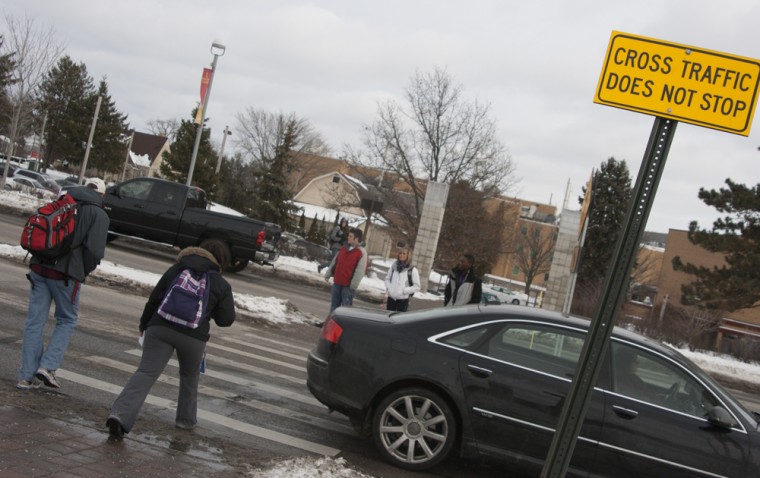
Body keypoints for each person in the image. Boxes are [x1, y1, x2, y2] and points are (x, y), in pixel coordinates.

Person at [106, 243, 235, 438]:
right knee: (189, 378)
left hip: (160, 328)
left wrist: (144, 324)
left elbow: (154, 299)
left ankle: (120, 415)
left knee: (146, 372)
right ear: (221, 261)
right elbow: (226, 320)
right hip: (193, 337)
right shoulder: (221, 284)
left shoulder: (177, 269)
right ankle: (185, 422)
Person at [16, 180, 109, 390]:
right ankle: (47, 367)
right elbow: (94, 251)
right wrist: (81, 271)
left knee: (34, 322)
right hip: (66, 276)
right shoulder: (99, 214)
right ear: (102, 195)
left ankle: (25, 376)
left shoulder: (62, 202)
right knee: (66, 319)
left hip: (39, 268)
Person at [323, 227, 368, 315]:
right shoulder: (344, 248)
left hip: (348, 286)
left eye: (351, 236)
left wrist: (353, 285)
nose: (348, 237)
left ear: (357, 239)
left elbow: (360, 271)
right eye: (348, 236)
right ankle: (330, 325)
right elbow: (335, 261)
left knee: (346, 308)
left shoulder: (361, 252)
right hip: (337, 282)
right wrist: (328, 273)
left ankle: (344, 328)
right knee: (334, 306)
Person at [384, 248, 420, 312]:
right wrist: (390, 288)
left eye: (404, 254)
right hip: (391, 299)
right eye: (400, 253)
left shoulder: (412, 270)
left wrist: (405, 291)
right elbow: (387, 279)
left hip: (403, 300)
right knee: (388, 317)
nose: (401, 255)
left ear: (408, 256)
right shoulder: (394, 267)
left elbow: (417, 286)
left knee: (399, 320)